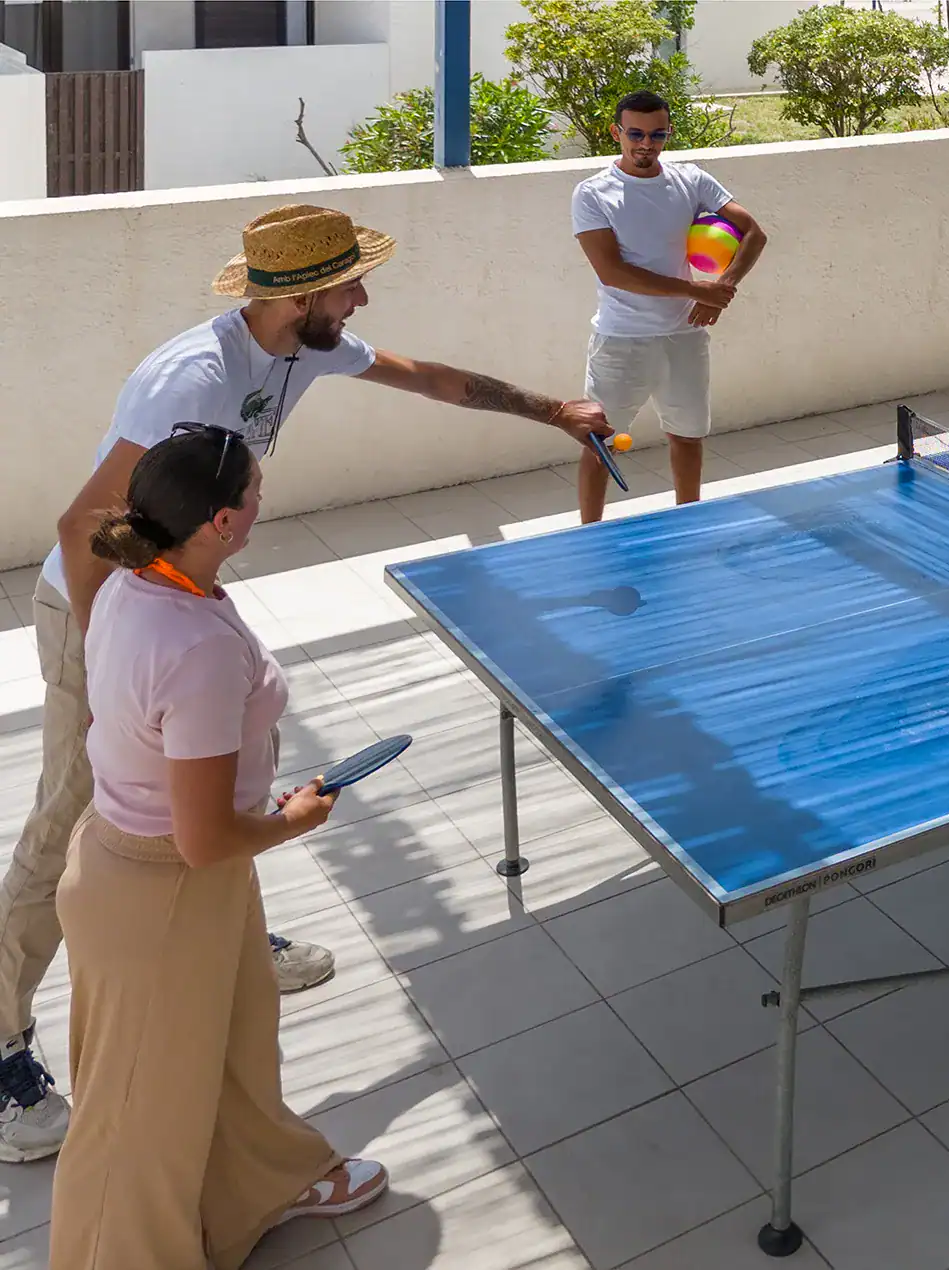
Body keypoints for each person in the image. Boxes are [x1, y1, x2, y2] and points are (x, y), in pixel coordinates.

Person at [0, 203, 612, 1162]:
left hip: (177, 597)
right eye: (351, 283)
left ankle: (235, 943)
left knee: (223, 781)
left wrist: (555, 412)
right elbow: (85, 526)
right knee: (76, 814)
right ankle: (1, 1039)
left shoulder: (303, 349)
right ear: (302, 294)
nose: (362, 297)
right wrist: (112, 645)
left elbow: (434, 379)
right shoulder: (191, 382)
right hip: (105, 613)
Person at [49, 426, 386, 1269]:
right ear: (225, 521)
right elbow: (202, 842)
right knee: (136, 1112)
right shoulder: (195, 648)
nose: (265, 498)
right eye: (258, 489)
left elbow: (131, 724)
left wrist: (234, 799)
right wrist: (294, 819)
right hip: (162, 890)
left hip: (155, 870)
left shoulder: (142, 579)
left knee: (235, 1039)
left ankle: (260, 1186)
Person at [571, 89, 768, 520]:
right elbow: (613, 272)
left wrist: (724, 287)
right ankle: (588, 536)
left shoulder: (692, 180)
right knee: (601, 444)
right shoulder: (592, 194)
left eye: (657, 134)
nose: (646, 144)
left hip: (684, 338)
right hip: (621, 342)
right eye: (636, 134)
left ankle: (689, 525)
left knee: (688, 436)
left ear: (668, 133)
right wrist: (701, 292)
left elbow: (754, 233)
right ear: (616, 133)